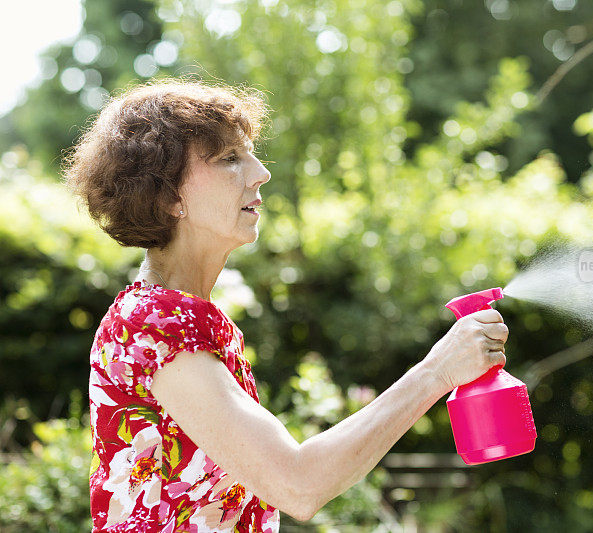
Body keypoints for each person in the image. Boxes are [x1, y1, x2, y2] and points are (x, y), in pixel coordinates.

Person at [65, 79, 509, 532]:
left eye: (250, 153)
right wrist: (437, 372)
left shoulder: (183, 319)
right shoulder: (151, 325)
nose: (261, 172)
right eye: (229, 158)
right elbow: (298, 483)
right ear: (167, 196)